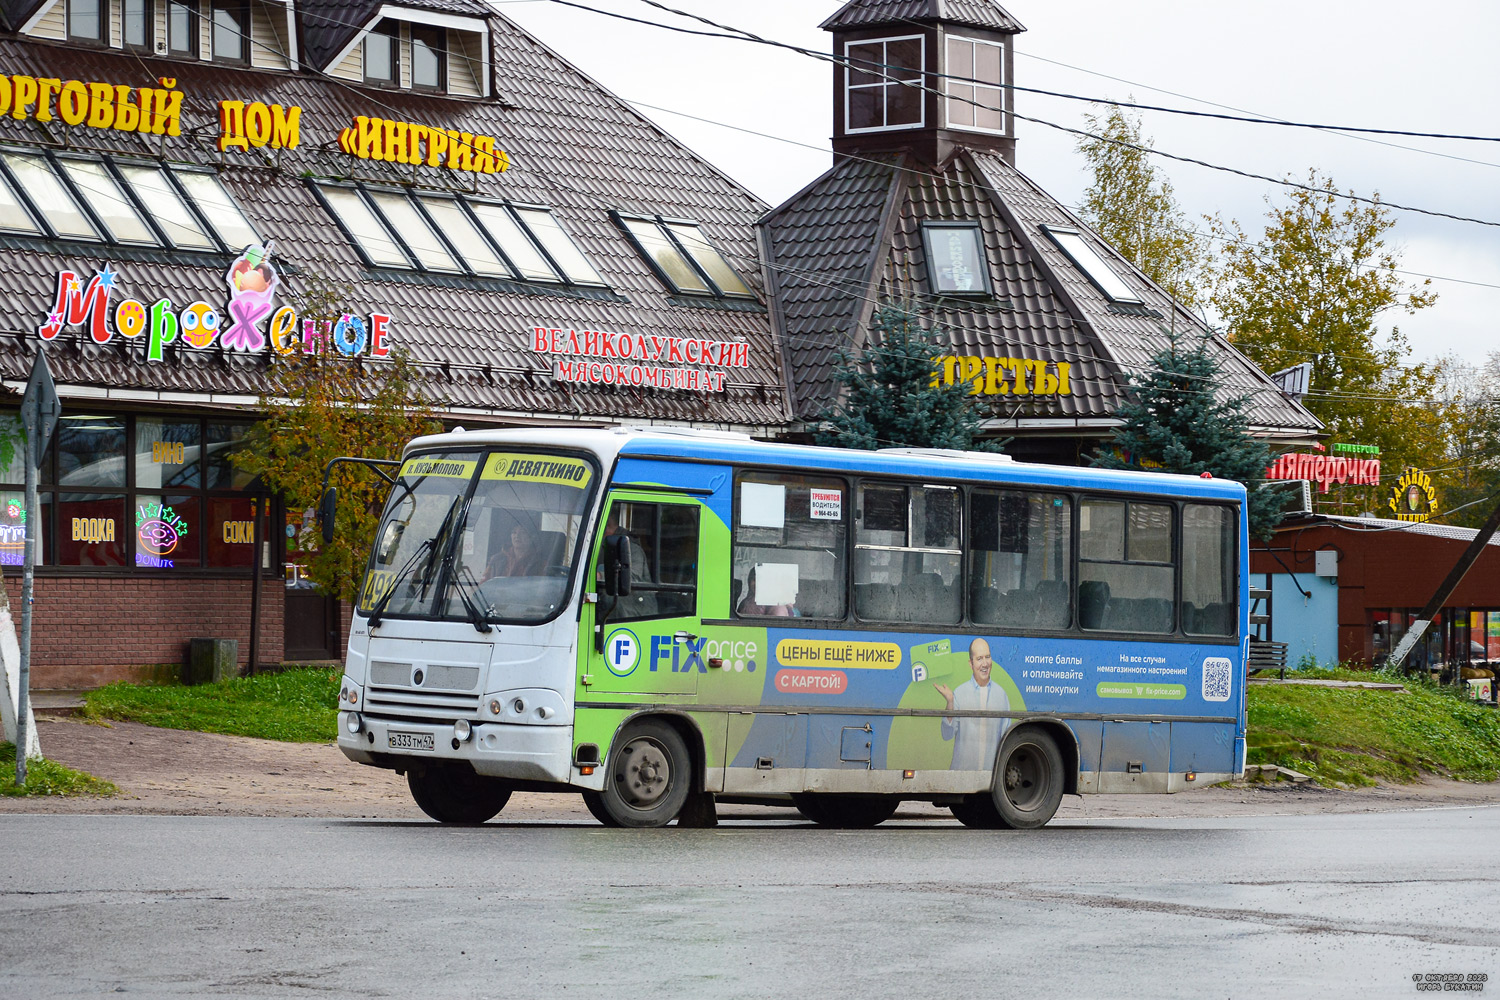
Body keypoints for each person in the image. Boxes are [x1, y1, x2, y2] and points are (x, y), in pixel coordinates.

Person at [934, 637, 1010, 771]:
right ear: (971, 663)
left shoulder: (1001, 695)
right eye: (979, 658)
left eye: (987, 657)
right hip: (960, 776)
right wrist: (950, 702)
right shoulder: (960, 692)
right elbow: (947, 735)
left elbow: (1006, 739)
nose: (985, 664)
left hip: (990, 775)